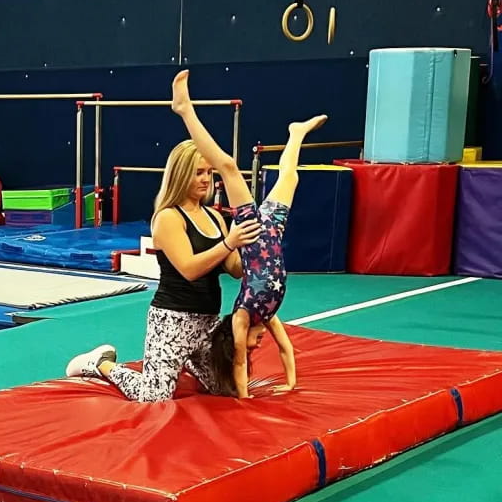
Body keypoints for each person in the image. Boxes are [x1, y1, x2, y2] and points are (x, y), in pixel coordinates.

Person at [64, 138, 261, 401]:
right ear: (180, 175)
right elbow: (189, 269)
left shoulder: (214, 217)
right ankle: (100, 364)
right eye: (198, 173)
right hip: (172, 321)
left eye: (209, 172)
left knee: (228, 390)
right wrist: (229, 243)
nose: (206, 179)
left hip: (207, 322)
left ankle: (185, 360)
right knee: (153, 397)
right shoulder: (168, 217)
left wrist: (253, 250)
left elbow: (234, 269)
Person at [170, 69, 327, 398]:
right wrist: (291, 383)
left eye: (253, 345)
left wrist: (244, 397)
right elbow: (286, 349)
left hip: (254, 233)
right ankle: (296, 133)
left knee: (227, 166)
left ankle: (184, 110)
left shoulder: (243, 316)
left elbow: (239, 360)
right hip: (272, 230)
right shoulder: (268, 314)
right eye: (258, 346)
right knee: (291, 178)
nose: (258, 345)